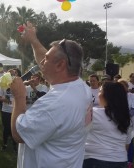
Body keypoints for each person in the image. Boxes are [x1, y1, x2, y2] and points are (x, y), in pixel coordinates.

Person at [10, 22, 92, 168]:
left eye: (46, 59)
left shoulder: (54, 104)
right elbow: (49, 60)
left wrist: (19, 97)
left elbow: (19, 134)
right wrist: (34, 40)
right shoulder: (81, 87)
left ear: (60, 65)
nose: (42, 62)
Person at [83, 82, 133, 168]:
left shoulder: (93, 113)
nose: (98, 94)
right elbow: (127, 144)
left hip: (95, 160)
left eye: (100, 91)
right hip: (121, 161)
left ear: (107, 96)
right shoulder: (126, 118)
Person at [118, 79, 134, 168]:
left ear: (127, 87)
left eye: (123, 86)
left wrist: (124, 116)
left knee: (129, 142)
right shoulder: (115, 96)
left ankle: (129, 162)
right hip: (117, 123)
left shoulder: (132, 96)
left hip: (129, 122)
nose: (121, 88)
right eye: (119, 86)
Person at [0, 69, 18, 153]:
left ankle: (15, 144)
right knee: (6, 128)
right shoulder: (3, 85)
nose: (12, 76)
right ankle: (5, 143)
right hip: (5, 110)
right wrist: (6, 100)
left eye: (14, 74)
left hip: (15, 110)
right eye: (11, 74)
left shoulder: (18, 84)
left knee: (15, 128)